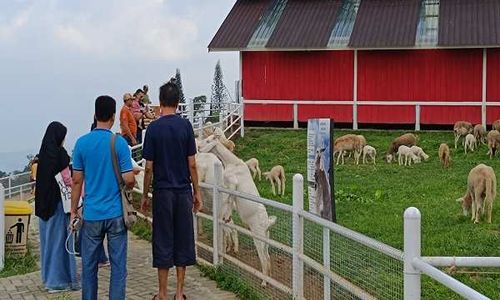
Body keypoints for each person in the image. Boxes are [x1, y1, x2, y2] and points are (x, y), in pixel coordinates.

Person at [141, 79, 202, 300]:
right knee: (183, 239)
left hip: (163, 192)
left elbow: (148, 168)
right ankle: (179, 293)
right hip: (183, 191)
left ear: (160, 102)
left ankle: (162, 293)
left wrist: (146, 195)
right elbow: (192, 164)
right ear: (177, 102)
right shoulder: (185, 126)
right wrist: (197, 192)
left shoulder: (154, 129)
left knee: (163, 239)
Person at [71, 96, 135, 300]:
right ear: (114, 117)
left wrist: (74, 209)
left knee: (89, 269)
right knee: (118, 269)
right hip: (116, 214)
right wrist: (130, 182)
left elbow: (77, 181)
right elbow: (129, 179)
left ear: (94, 115)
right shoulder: (119, 143)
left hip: (91, 214)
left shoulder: (81, 143)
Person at [35, 121, 79, 293]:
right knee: (60, 243)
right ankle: (57, 281)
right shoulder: (60, 155)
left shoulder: (43, 154)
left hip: (43, 207)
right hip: (57, 206)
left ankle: (48, 278)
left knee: (47, 244)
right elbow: (69, 179)